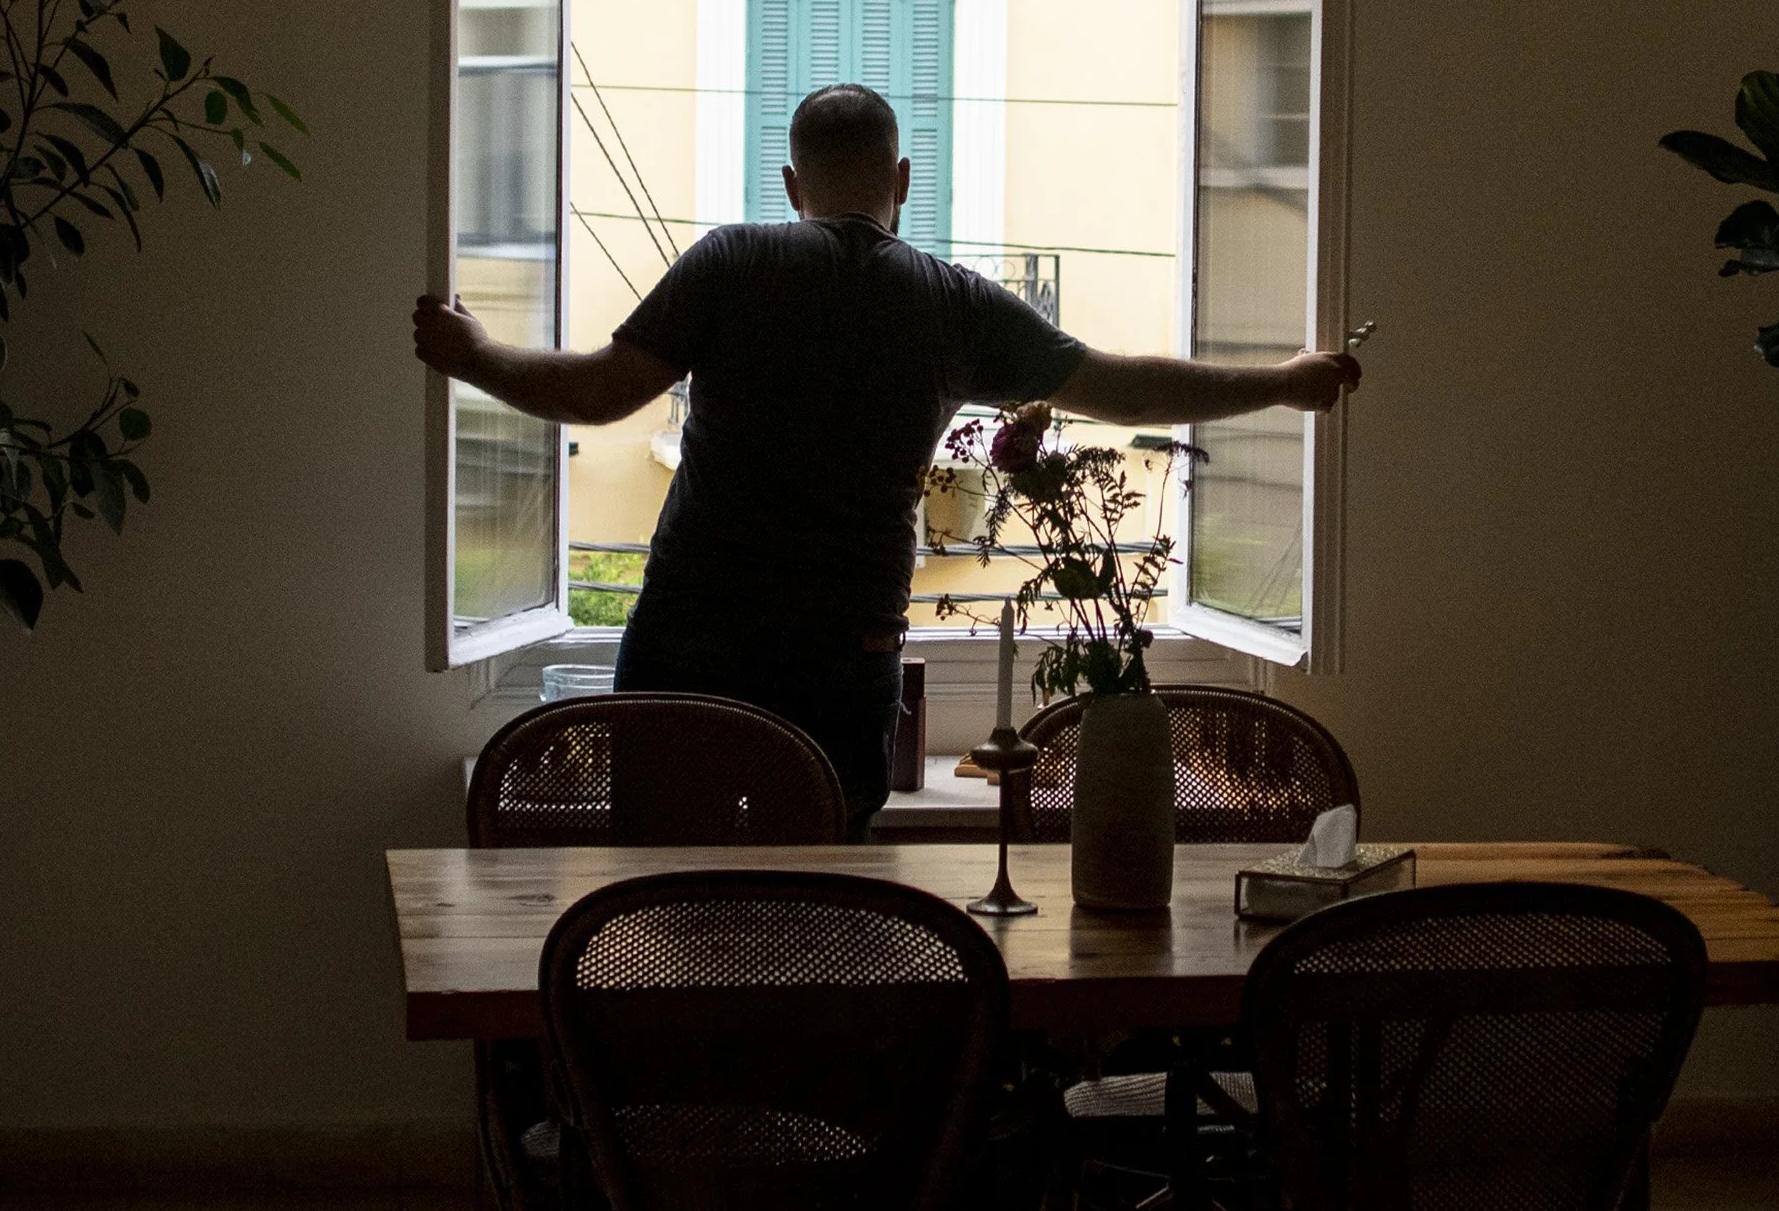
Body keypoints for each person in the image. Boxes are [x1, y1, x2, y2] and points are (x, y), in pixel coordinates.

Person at [412, 80, 1361, 828]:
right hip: (843, 652)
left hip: (692, 638)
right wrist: (1283, 381)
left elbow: (595, 392)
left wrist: (473, 354)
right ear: (901, 180)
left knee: (659, 892)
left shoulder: (730, 263)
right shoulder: (954, 305)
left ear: (792, 186)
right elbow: (1129, 391)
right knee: (819, 902)